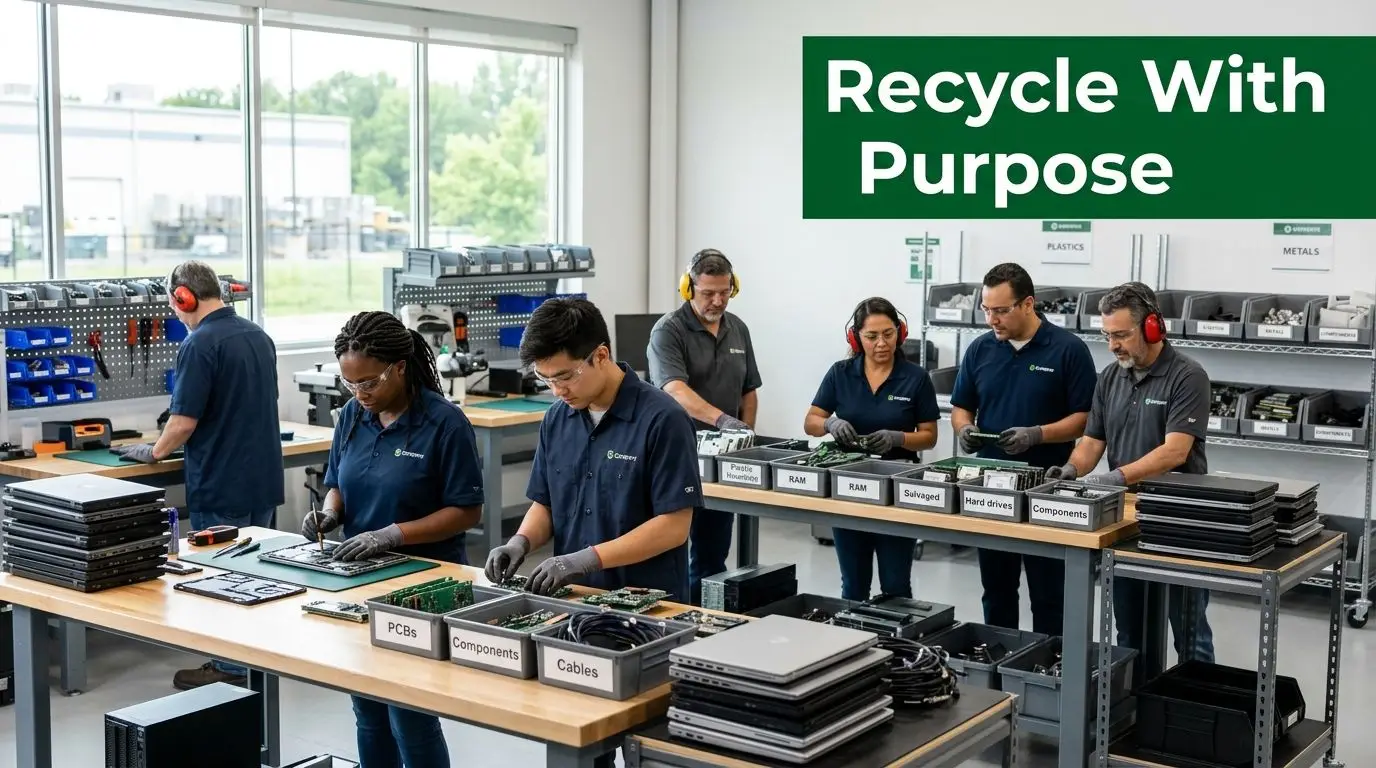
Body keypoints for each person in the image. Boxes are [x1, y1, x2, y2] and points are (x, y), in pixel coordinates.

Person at [301, 311, 485, 768]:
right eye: (351, 385)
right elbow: (338, 481)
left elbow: (466, 510)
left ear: (399, 367)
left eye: (369, 383)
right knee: (366, 707)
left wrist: (394, 534)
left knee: (409, 714)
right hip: (359, 579)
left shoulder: (445, 424)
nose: (360, 394)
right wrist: (329, 513)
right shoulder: (351, 418)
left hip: (422, 585)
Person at [113, 260, 284, 690]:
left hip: (222, 481)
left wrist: (153, 451)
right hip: (261, 478)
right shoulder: (257, 335)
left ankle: (230, 668)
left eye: (173, 301)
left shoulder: (199, 344)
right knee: (257, 573)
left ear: (183, 296)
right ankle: (258, 662)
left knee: (222, 578)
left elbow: (183, 422)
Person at [485, 297, 702, 604]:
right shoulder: (557, 418)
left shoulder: (664, 419)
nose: (557, 391)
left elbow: (674, 527)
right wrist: (521, 541)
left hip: (647, 606)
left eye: (564, 377)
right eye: (545, 379)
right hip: (573, 599)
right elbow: (546, 504)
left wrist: (586, 559)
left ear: (601, 355)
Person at [1049, 282, 1215, 662]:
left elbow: (1175, 451)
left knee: (1190, 635)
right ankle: (1136, 713)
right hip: (1125, 519)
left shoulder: (1188, 376)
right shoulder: (1110, 377)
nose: (1113, 345)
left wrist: (1116, 477)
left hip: (1179, 521)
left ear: (1153, 327)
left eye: (1122, 335)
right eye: (1108, 336)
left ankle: (1193, 714)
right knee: (1130, 631)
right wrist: (1071, 470)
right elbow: (1093, 442)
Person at [949, 263, 1097, 636]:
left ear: (1028, 304)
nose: (992, 320)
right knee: (997, 591)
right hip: (990, 490)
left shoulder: (1068, 350)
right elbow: (961, 405)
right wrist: (964, 427)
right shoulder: (980, 349)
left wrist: (1038, 434)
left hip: (1048, 488)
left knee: (1050, 596)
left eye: (1001, 310)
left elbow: (1085, 419)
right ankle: (1002, 670)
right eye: (986, 309)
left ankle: (1051, 672)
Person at [803, 298, 939, 600]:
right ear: (856, 338)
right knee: (853, 585)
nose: (881, 343)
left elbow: (929, 436)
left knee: (896, 585)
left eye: (888, 334)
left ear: (900, 333)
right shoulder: (840, 373)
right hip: (849, 487)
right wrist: (831, 425)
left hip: (897, 490)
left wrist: (898, 438)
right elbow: (811, 421)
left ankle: (897, 646)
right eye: (872, 336)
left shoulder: (916, 378)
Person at [647, 248, 762, 604]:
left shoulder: (738, 328)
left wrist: (745, 436)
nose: (717, 300)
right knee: (671, 551)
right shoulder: (669, 331)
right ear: (688, 288)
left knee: (712, 556)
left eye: (724, 292)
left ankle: (706, 623)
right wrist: (722, 420)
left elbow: (749, 390)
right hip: (675, 458)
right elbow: (675, 391)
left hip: (721, 462)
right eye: (708, 292)